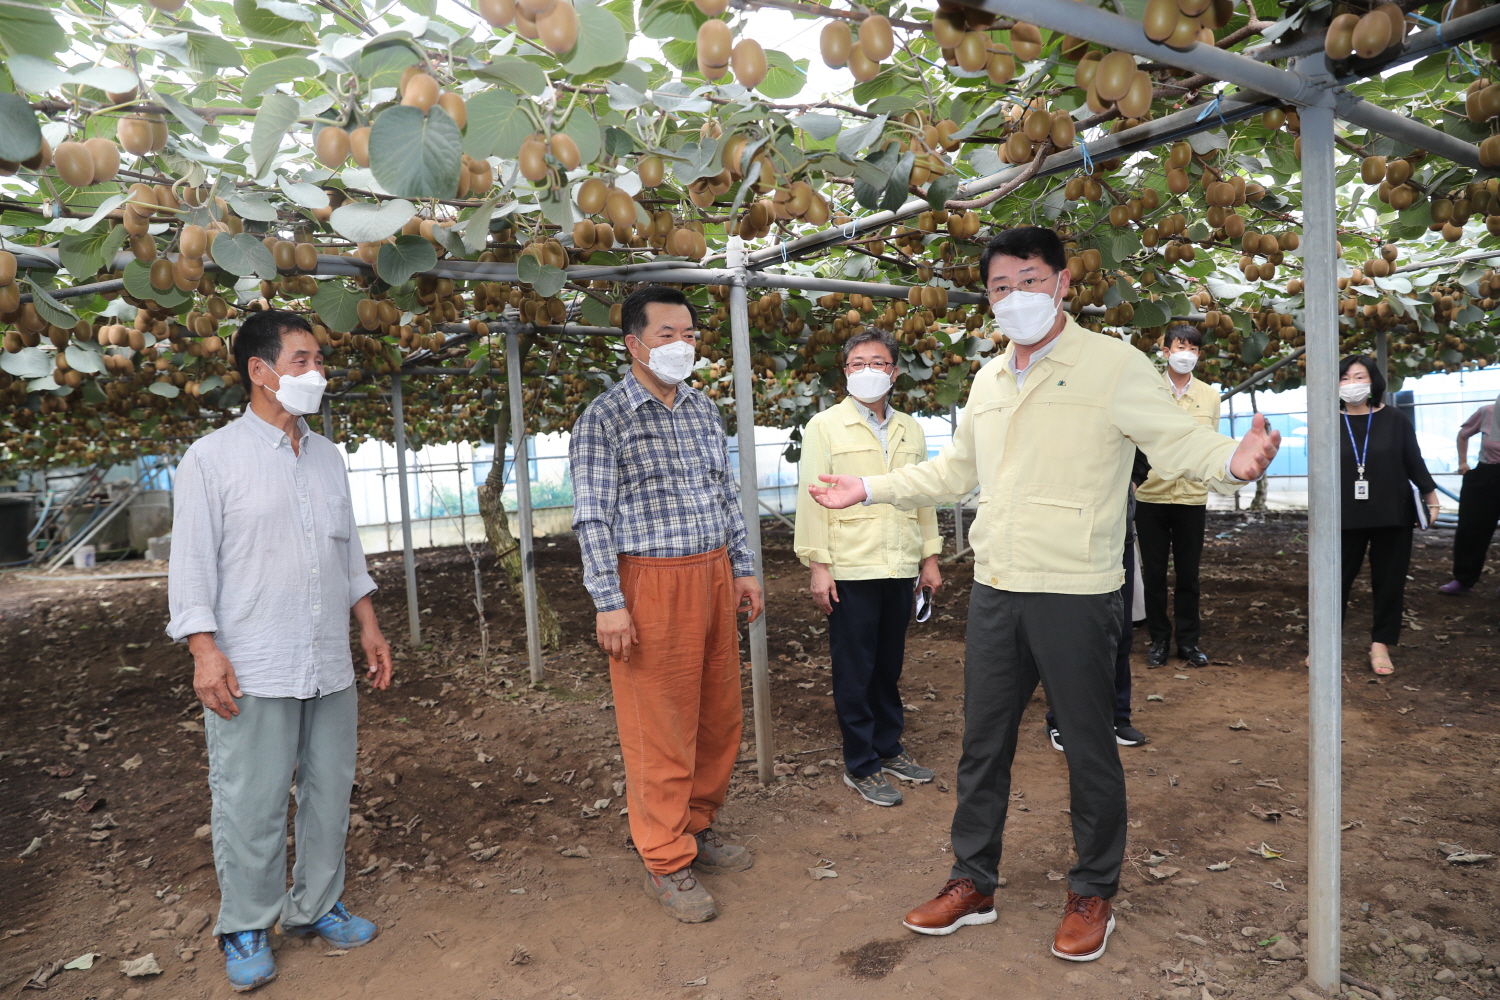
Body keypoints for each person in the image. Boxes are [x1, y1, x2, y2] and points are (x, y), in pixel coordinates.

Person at [807, 227, 1280, 963]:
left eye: (1029, 281)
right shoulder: (990, 379)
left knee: (1088, 746)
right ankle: (973, 880)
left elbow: (1178, 443)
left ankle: (1094, 890)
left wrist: (1233, 461)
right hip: (999, 584)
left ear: (1063, 284)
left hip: (1077, 588)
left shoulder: (1113, 364)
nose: (1014, 298)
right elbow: (954, 472)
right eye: (1000, 288)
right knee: (982, 743)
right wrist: (868, 486)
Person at [166, 310, 393, 992]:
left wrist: (370, 626)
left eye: (318, 360)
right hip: (255, 657)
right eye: (301, 361)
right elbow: (191, 565)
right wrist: (205, 652)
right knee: (252, 797)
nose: (314, 373)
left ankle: (316, 906)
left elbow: (346, 549)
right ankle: (245, 924)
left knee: (328, 791)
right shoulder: (213, 458)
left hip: (326, 658)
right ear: (259, 372)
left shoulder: (326, 455)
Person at [569, 284, 763, 924]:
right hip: (649, 580)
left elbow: (725, 496)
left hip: (709, 571)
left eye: (689, 335)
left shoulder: (703, 410)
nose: (682, 346)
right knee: (659, 725)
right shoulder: (605, 418)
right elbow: (592, 517)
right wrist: (609, 601)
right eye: (666, 336)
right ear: (634, 344)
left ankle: (697, 827)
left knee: (716, 712)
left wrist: (742, 568)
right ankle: (665, 857)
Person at [794, 329, 943, 808]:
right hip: (851, 564)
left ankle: (889, 747)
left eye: (876, 363)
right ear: (846, 372)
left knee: (888, 666)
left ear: (894, 372)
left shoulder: (911, 429)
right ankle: (861, 764)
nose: (867, 371)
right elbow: (812, 499)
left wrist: (930, 557)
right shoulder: (825, 426)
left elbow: (922, 496)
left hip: (899, 561)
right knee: (855, 670)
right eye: (857, 363)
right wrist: (819, 564)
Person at [1337, 355, 1440, 675]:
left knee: (1389, 582)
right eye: (1344, 379)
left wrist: (1431, 498)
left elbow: (1414, 460)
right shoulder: (1327, 421)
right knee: (1334, 582)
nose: (1351, 384)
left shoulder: (1395, 419)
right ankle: (1326, 644)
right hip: (1342, 516)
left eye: (1358, 377)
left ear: (1373, 382)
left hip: (1392, 513)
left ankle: (1380, 645)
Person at [1045, 448, 1152, 753]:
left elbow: (1140, 451)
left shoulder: (1122, 403)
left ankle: (1117, 717)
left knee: (1118, 629)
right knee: (1069, 633)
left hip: (1117, 536)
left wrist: (1130, 484)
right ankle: (1061, 720)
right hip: (1065, 537)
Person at [1135, 325, 1220, 668]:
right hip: (1152, 496)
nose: (1188, 354)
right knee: (1154, 574)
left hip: (1191, 497)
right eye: (1181, 347)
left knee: (1189, 575)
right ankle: (1158, 640)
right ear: (1166, 350)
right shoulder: (1147, 391)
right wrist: (1135, 482)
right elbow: (1137, 439)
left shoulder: (1210, 396)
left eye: (1194, 349)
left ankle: (1188, 642)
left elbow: (1209, 444)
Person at [1438, 392, 1500, 596]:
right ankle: (1463, 580)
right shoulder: (1488, 412)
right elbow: (1463, 434)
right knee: (1471, 528)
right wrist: (1462, 463)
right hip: (1487, 474)